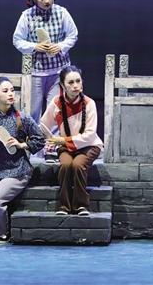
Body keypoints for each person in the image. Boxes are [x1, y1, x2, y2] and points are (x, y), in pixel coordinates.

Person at [0, 76, 46, 243]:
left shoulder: (22, 118)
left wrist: (21, 145)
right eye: (5, 91)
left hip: (18, 171)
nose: (11, 94)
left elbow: (40, 140)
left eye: (12, 90)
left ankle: (1, 233)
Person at [12, 0, 78, 124]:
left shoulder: (61, 12)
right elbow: (17, 40)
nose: (47, 0)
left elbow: (73, 35)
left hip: (58, 71)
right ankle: (33, 137)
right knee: (32, 111)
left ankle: (51, 139)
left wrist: (60, 46)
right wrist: (34, 46)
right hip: (36, 72)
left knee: (54, 111)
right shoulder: (27, 15)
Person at [40, 65, 103, 215]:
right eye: (70, 82)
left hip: (89, 145)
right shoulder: (56, 102)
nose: (75, 85)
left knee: (78, 165)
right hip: (66, 146)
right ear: (62, 85)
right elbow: (43, 124)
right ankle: (64, 206)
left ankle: (81, 205)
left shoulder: (89, 103)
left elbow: (89, 135)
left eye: (78, 81)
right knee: (66, 165)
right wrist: (50, 140)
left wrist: (62, 141)